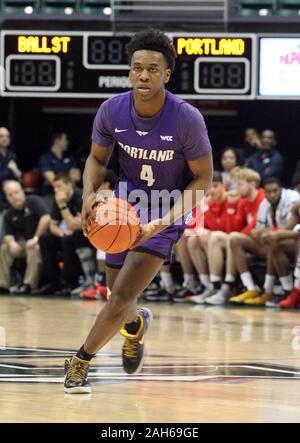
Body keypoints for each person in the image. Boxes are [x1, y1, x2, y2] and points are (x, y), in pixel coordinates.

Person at [64, 28, 213, 394]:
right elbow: (97, 160)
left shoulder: (186, 118)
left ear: (166, 74)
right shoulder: (111, 110)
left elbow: (203, 180)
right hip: (122, 208)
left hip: (166, 209)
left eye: (152, 69)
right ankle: (135, 326)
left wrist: (166, 219)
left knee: (119, 297)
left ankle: (80, 361)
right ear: (129, 71)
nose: (143, 75)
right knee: (120, 296)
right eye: (137, 68)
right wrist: (87, 195)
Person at [229, 177, 299, 306]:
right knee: (234, 238)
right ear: (264, 192)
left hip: (292, 244)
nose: (272, 194)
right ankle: (251, 289)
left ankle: (279, 291)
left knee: (274, 241)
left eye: (275, 191)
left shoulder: (293, 198)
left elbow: (291, 231)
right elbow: (260, 230)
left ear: (281, 190)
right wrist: (259, 233)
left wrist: (270, 233)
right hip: (275, 241)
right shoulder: (264, 203)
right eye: (269, 192)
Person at [37, 173, 96, 295]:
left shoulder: (82, 196)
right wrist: (62, 232)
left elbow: (75, 225)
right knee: (45, 239)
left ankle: (71, 283)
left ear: (70, 185)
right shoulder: (58, 198)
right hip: (70, 235)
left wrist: (62, 206)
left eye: (59, 186)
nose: (56, 190)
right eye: (54, 187)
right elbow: (53, 225)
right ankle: (53, 283)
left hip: (89, 235)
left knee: (70, 238)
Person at [0, 180, 50, 294]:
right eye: (10, 195)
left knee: (33, 247)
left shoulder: (33, 200)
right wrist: (11, 243)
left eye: (16, 192)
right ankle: (3, 284)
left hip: (42, 240)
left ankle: (29, 284)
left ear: (22, 191)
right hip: (25, 243)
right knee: (4, 248)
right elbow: (8, 235)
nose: (14, 197)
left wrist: (35, 238)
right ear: (7, 198)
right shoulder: (9, 213)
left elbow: (46, 218)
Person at [38, 132, 81, 205]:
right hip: (51, 193)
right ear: (57, 140)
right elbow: (52, 180)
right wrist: (68, 179)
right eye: (65, 139)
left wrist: (61, 180)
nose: (67, 142)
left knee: (82, 194)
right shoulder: (45, 158)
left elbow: (76, 177)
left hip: (70, 193)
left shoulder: (69, 158)